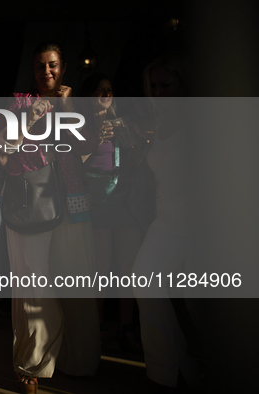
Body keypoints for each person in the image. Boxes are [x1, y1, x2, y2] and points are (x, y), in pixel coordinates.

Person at [0, 42, 100, 394]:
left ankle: (81, 359)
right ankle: (33, 364)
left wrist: (69, 108)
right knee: (33, 285)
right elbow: (2, 148)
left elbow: (89, 144)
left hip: (73, 201)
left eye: (53, 65)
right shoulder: (21, 102)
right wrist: (30, 118)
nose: (47, 72)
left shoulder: (75, 104)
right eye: (40, 66)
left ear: (64, 67)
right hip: (35, 203)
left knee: (77, 284)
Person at [132, 53, 203, 391]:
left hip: (202, 224)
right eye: (154, 86)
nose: (158, 92)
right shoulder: (157, 123)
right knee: (144, 280)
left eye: (166, 85)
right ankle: (162, 372)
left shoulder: (200, 123)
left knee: (195, 302)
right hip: (166, 221)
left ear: (183, 86)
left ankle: (193, 372)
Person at [78, 73, 145, 353]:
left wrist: (136, 140)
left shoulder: (120, 123)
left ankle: (127, 326)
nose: (105, 94)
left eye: (109, 89)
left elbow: (137, 158)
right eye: (100, 89)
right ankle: (98, 327)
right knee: (101, 271)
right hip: (98, 202)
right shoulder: (81, 125)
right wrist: (96, 139)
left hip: (124, 200)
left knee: (127, 270)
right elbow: (74, 163)